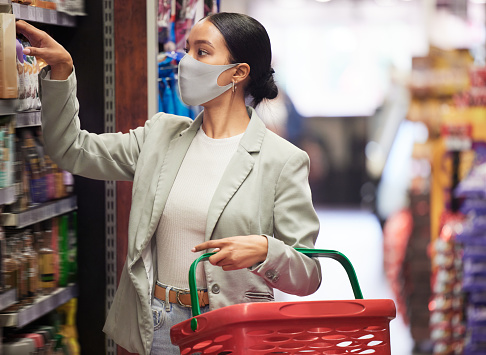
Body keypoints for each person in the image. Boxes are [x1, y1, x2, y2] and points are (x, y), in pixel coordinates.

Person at [16, 12, 322, 355]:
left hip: (234, 328)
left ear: (238, 72)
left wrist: (267, 250)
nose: (185, 62)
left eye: (202, 52)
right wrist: (62, 72)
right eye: (187, 49)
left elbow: (308, 273)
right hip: (156, 325)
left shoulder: (282, 161)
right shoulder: (161, 136)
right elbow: (73, 151)